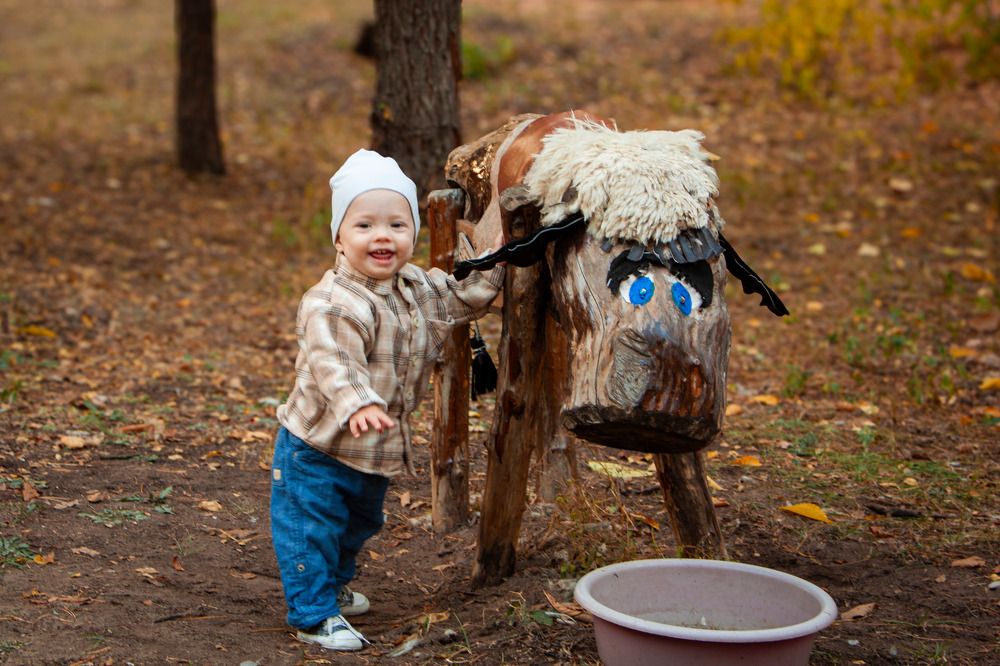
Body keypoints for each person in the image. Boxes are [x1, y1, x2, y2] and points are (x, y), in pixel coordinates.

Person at [270, 149, 504, 651]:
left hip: (373, 449)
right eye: (365, 225)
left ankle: (333, 584)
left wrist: (496, 266)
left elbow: (459, 297)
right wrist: (358, 402)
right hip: (317, 448)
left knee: (360, 523)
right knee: (313, 528)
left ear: (413, 234)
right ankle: (313, 613)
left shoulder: (416, 287)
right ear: (339, 237)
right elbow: (335, 361)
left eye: (397, 225)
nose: (382, 236)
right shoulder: (333, 303)